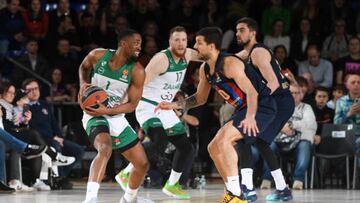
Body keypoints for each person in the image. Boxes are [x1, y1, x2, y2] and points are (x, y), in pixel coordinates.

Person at [157, 26, 276, 203]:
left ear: (212, 46)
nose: (194, 47)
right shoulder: (205, 69)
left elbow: (252, 92)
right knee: (213, 147)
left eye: (199, 43)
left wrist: (251, 117)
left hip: (261, 107)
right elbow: (199, 98)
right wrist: (174, 104)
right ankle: (233, 192)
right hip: (244, 109)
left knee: (224, 141)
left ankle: (237, 194)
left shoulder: (229, 63)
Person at [116, 26, 198, 199]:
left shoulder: (189, 54)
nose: (180, 43)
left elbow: (209, 55)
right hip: (147, 106)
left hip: (165, 107)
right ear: (169, 41)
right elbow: (139, 82)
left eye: (183, 39)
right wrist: (119, 106)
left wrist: (239, 57)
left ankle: (172, 184)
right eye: (176, 39)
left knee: (186, 148)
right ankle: (126, 173)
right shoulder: (162, 58)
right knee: (160, 140)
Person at [78, 29, 149, 203]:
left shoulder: (137, 71)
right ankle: (90, 199)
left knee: (142, 164)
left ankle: (129, 198)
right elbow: (84, 67)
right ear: (123, 44)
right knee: (105, 148)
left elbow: (132, 105)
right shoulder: (98, 55)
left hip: (115, 115)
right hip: (94, 113)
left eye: (141, 43)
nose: (140, 47)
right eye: (136, 43)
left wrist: (107, 111)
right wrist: (83, 84)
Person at [235, 17, 293, 201]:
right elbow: (230, 59)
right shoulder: (249, 52)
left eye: (242, 30)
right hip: (279, 101)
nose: (237, 33)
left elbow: (274, 83)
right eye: (236, 30)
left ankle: (248, 189)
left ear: (253, 33)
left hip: (279, 101)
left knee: (244, 138)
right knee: (259, 142)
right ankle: (283, 189)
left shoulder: (258, 52)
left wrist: (254, 106)